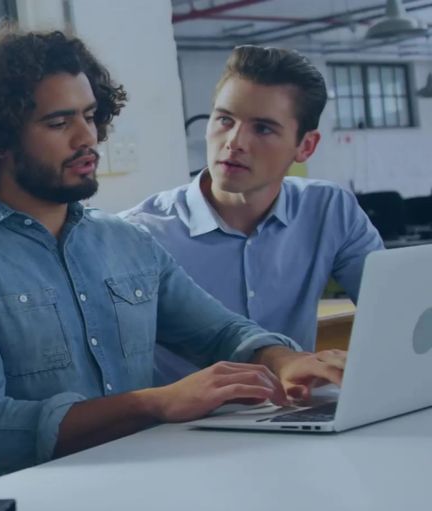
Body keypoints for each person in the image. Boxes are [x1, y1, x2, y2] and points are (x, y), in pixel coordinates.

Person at [0, 28, 346, 481]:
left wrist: (282, 359)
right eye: (59, 123)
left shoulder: (126, 242)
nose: (87, 138)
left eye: (90, 116)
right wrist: (154, 403)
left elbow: (222, 333)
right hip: (39, 509)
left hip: (151, 483)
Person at [120, 45, 383, 385]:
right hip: (185, 429)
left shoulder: (329, 209)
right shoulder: (139, 233)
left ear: (305, 146)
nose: (234, 142)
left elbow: (394, 315)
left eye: (262, 129)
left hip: (293, 412)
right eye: (224, 119)